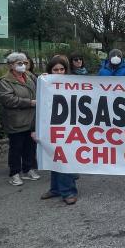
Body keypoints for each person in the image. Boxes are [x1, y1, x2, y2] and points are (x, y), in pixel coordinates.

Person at [0, 53, 40, 186]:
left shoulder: (30, 76)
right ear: (11, 65)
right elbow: (8, 100)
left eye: (25, 63)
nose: (23, 66)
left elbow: (41, 86)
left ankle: (28, 169)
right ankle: (14, 173)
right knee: (16, 148)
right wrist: (30, 102)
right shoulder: (4, 81)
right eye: (19, 63)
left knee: (30, 146)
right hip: (16, 121)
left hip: (31, 119)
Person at [40, 55, 79, 205]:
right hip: (51, 126)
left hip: (69, 127)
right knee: (54, 157)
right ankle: (55, 188)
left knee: (65, 158)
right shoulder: (44, 83)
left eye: (62, 69)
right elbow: (41, 106)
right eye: (55, 69)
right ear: (50, 70)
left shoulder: (73, 83)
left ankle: (69, 191)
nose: (59, 72)